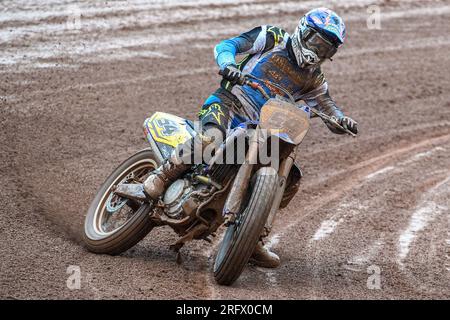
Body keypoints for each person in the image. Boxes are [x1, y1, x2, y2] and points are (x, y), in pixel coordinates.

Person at [143, 8, 358, 268]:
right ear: (304, 31)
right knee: (211, 139)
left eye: (327, 50)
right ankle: (164, 174)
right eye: (317, 44)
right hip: (230, 104)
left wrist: (341, 119)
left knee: (290, 180)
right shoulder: (273, 38)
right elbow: (228, 45)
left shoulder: (314, 78)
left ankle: (251, 234)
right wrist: (228, 65)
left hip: (264, 126)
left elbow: (327, 106)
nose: (319, 53)